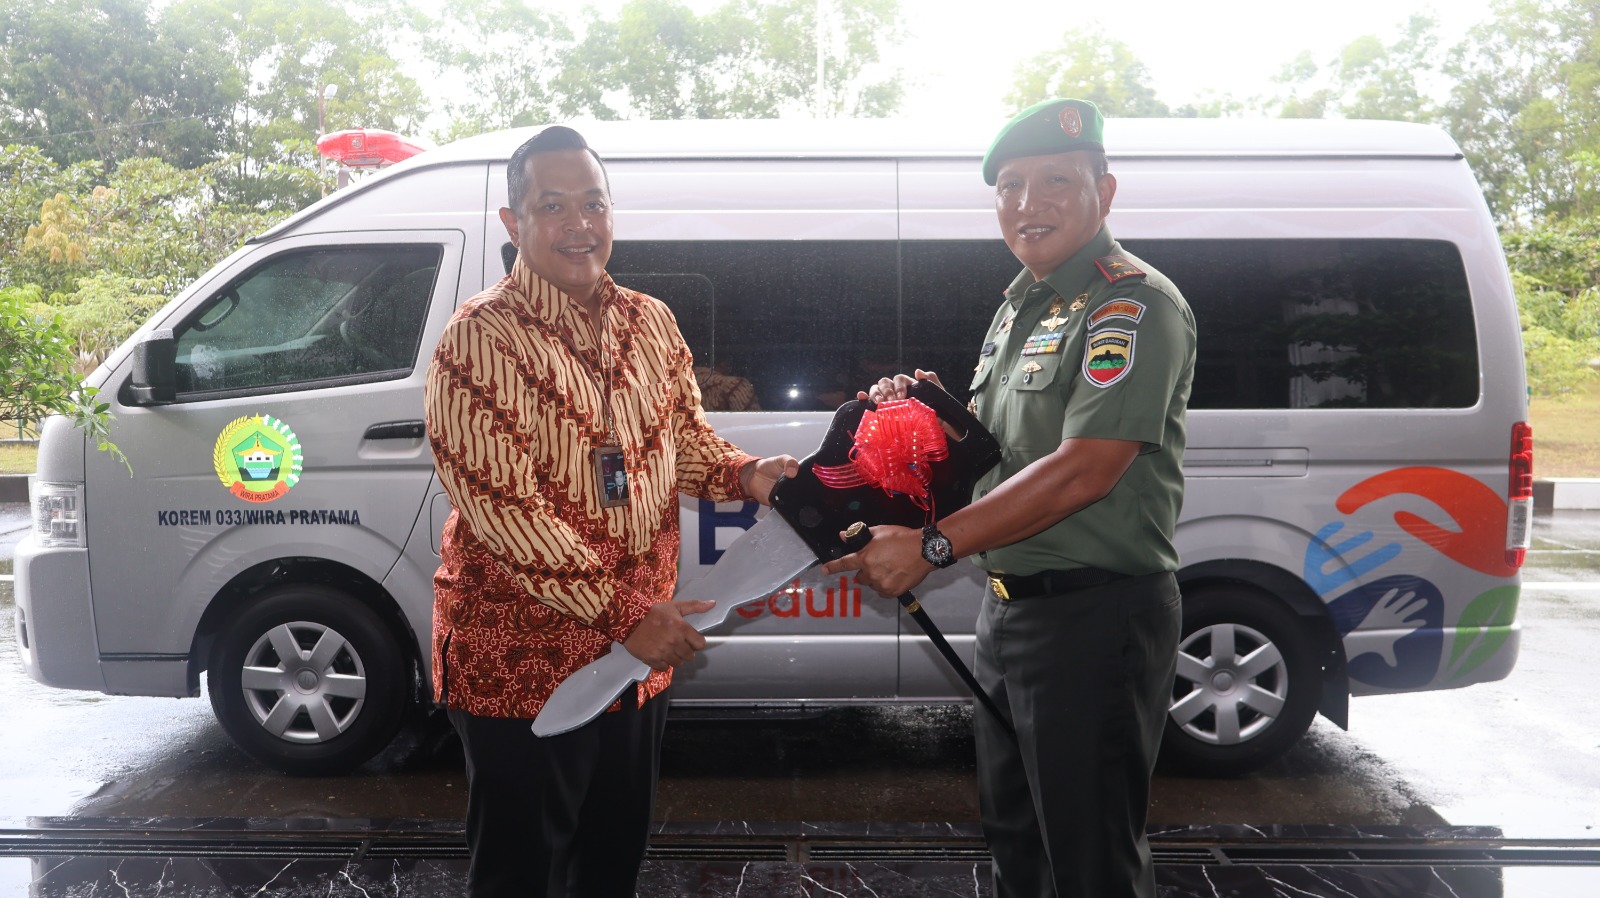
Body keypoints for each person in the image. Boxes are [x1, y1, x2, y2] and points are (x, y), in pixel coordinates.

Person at [823, 98, 1196, 898]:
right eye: (1012, 185)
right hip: (1013, 613)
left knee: (1088, 860)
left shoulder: (1128, 304)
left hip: (1095, 621)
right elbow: (997, 456)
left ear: (1106, 188)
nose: (1030, 203)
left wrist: (931, 548)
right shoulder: (1021, 307)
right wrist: (922, 413)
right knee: (1018, 842)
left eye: (1057, 181)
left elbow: (1084, 467)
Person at [424, 125, 797, 898]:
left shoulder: (651, 321)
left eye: (593, 203)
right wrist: (626, 611)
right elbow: (505, 511)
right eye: (552, 205)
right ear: (512, 223)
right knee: (522, 874)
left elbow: (685, 442)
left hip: (633, 660)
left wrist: (750, 474)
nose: (579, 224)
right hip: (519, 659)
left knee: (611, 862)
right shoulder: (477, 341)